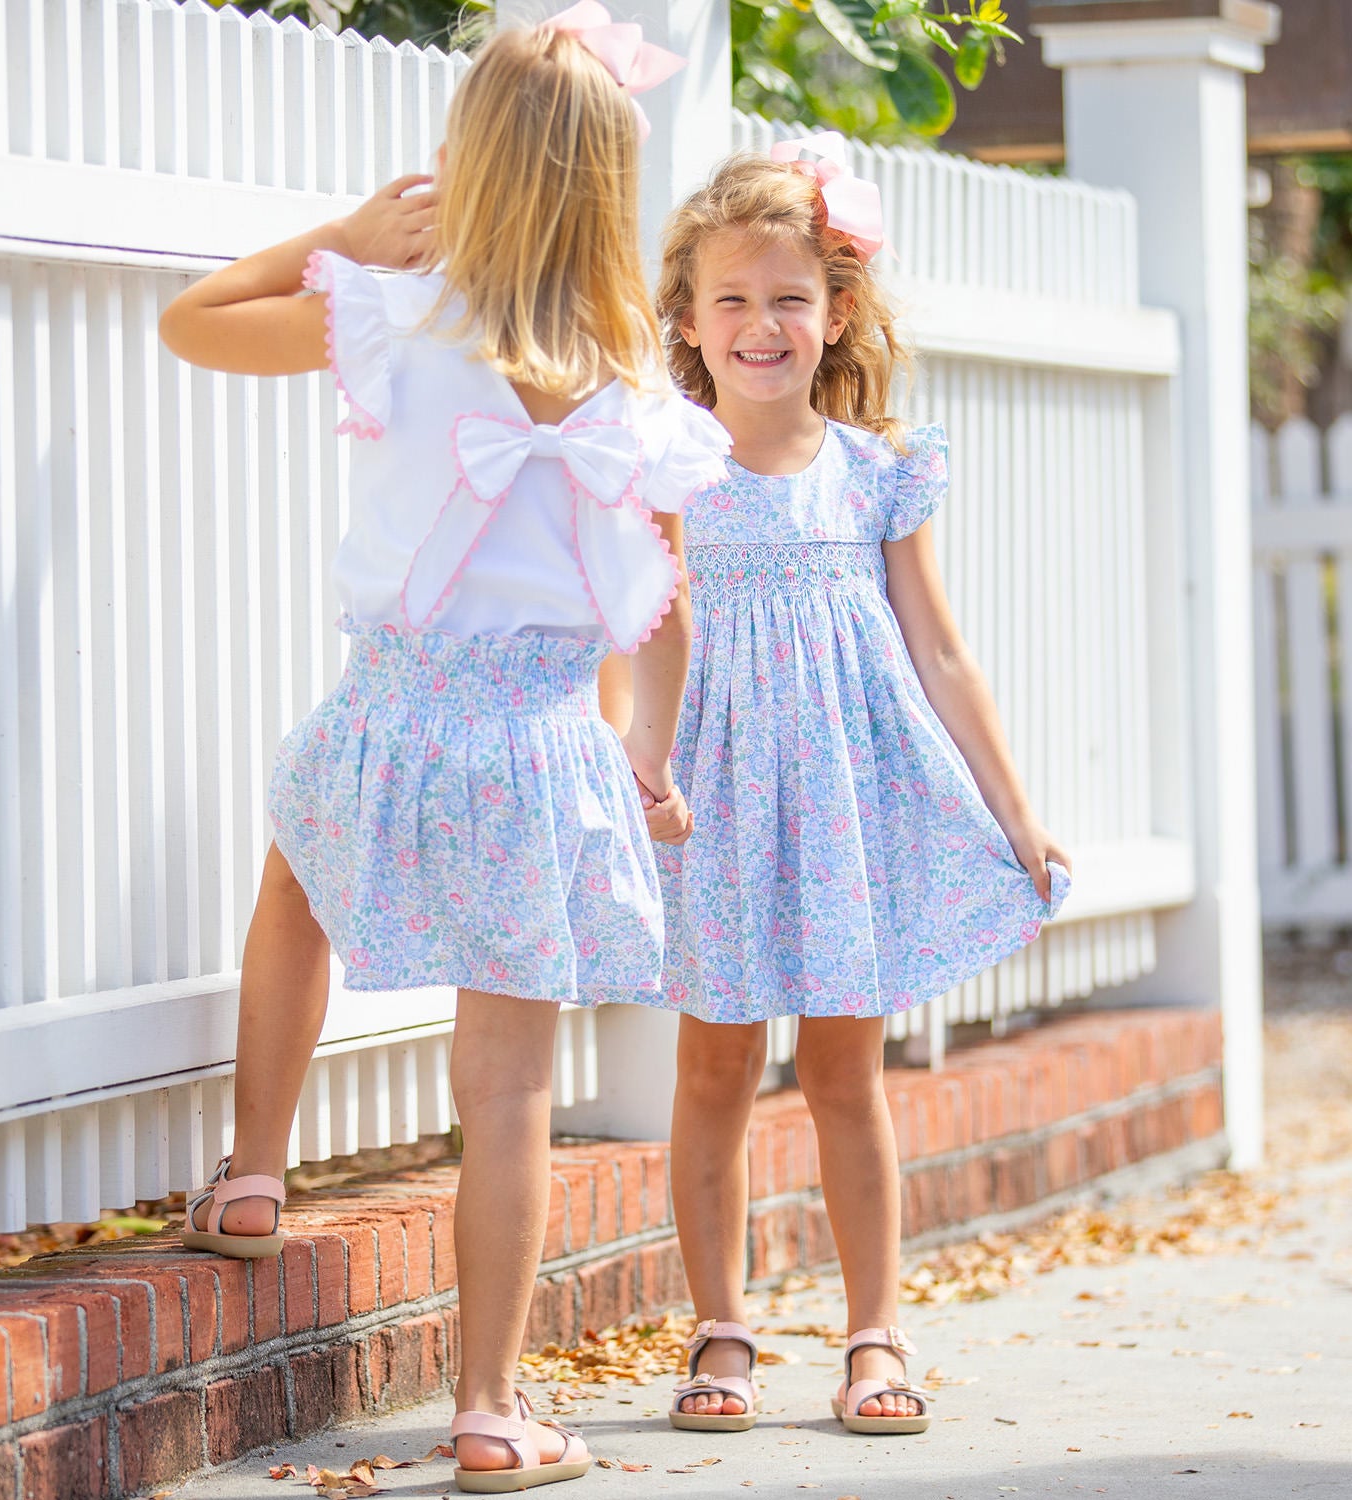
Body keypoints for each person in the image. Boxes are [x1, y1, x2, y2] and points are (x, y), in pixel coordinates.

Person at [157, 6, 727, 1489]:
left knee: (299, 883)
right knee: (511, 1084)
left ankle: (257, 1169)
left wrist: (339, 235)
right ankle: (486, 1405)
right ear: (613, 190)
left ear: (465, 166)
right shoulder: (637, 386)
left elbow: (193, 320)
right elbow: (650, 599)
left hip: (390, 705)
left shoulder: (396, 316)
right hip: (538, 737)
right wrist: (643, 753)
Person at [608, 144, 1071, 1439]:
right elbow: (635, 636)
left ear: (838, 311)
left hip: (845, 810)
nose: (763, 326)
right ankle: (723, 1327)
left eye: (789, 297)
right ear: (690, 323)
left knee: (843, 1073)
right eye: (733, 301)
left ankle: (874, 1333)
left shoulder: (877, 471)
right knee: (709, 1073)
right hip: (715, 804)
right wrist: (633, 775)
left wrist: (1016, 813)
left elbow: (938, 648)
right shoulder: (670, 470)